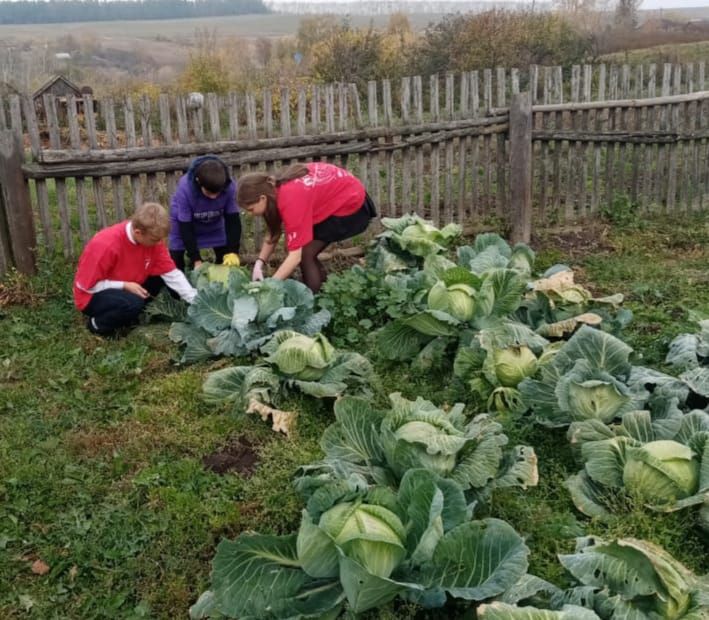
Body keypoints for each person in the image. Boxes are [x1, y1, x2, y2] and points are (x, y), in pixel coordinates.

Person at [236, 162, 376, 292]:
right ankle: (323, 291)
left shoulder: (290, 200)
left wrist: (269, 287)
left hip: (351, 205)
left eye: (250, 209)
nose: (249, 214)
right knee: (303, 249)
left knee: (305, 255)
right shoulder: (274, 187)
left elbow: (295, 257)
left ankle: (314, 299)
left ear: (262, 198)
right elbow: (273, 233)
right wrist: (259, 264)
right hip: (342, 193)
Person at [73, 202, 197, 337]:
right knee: (133, 303)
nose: (159, 243)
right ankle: (96, 325)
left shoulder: (152, 241)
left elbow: (171, 273)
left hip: (129, 283)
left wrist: (194, 299)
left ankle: (128, 315)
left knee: (161, 276)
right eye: (155, 239)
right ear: (138, 232)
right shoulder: (106, 245)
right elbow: (85, 287)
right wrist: (124, 285)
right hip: (92, 294)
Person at [168, 154, 241, 271]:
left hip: (214, 223)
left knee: (226, 260)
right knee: (176, 262)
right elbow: (185, 227)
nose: (214, 197)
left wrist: (233, 251)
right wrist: (196, 259)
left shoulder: (230, 186)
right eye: (209, 192)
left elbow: (233, 220)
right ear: (198, 181)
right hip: (184, 225)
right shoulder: (185, 188)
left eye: (217, 193)